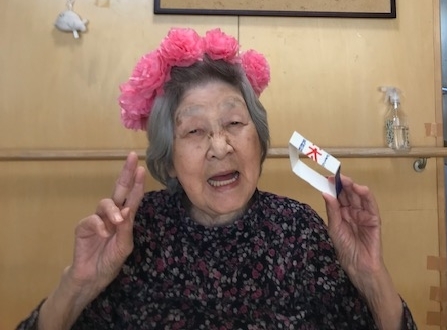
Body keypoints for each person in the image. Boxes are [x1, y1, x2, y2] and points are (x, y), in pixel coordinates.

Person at [16, 27, 417, 329]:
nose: (220, 147)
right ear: (169, 161)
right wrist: (78, 285)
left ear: (259, 141)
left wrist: (370, 276)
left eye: (234, 123)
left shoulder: (298, 228)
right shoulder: (133, 232)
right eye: (194, 131)